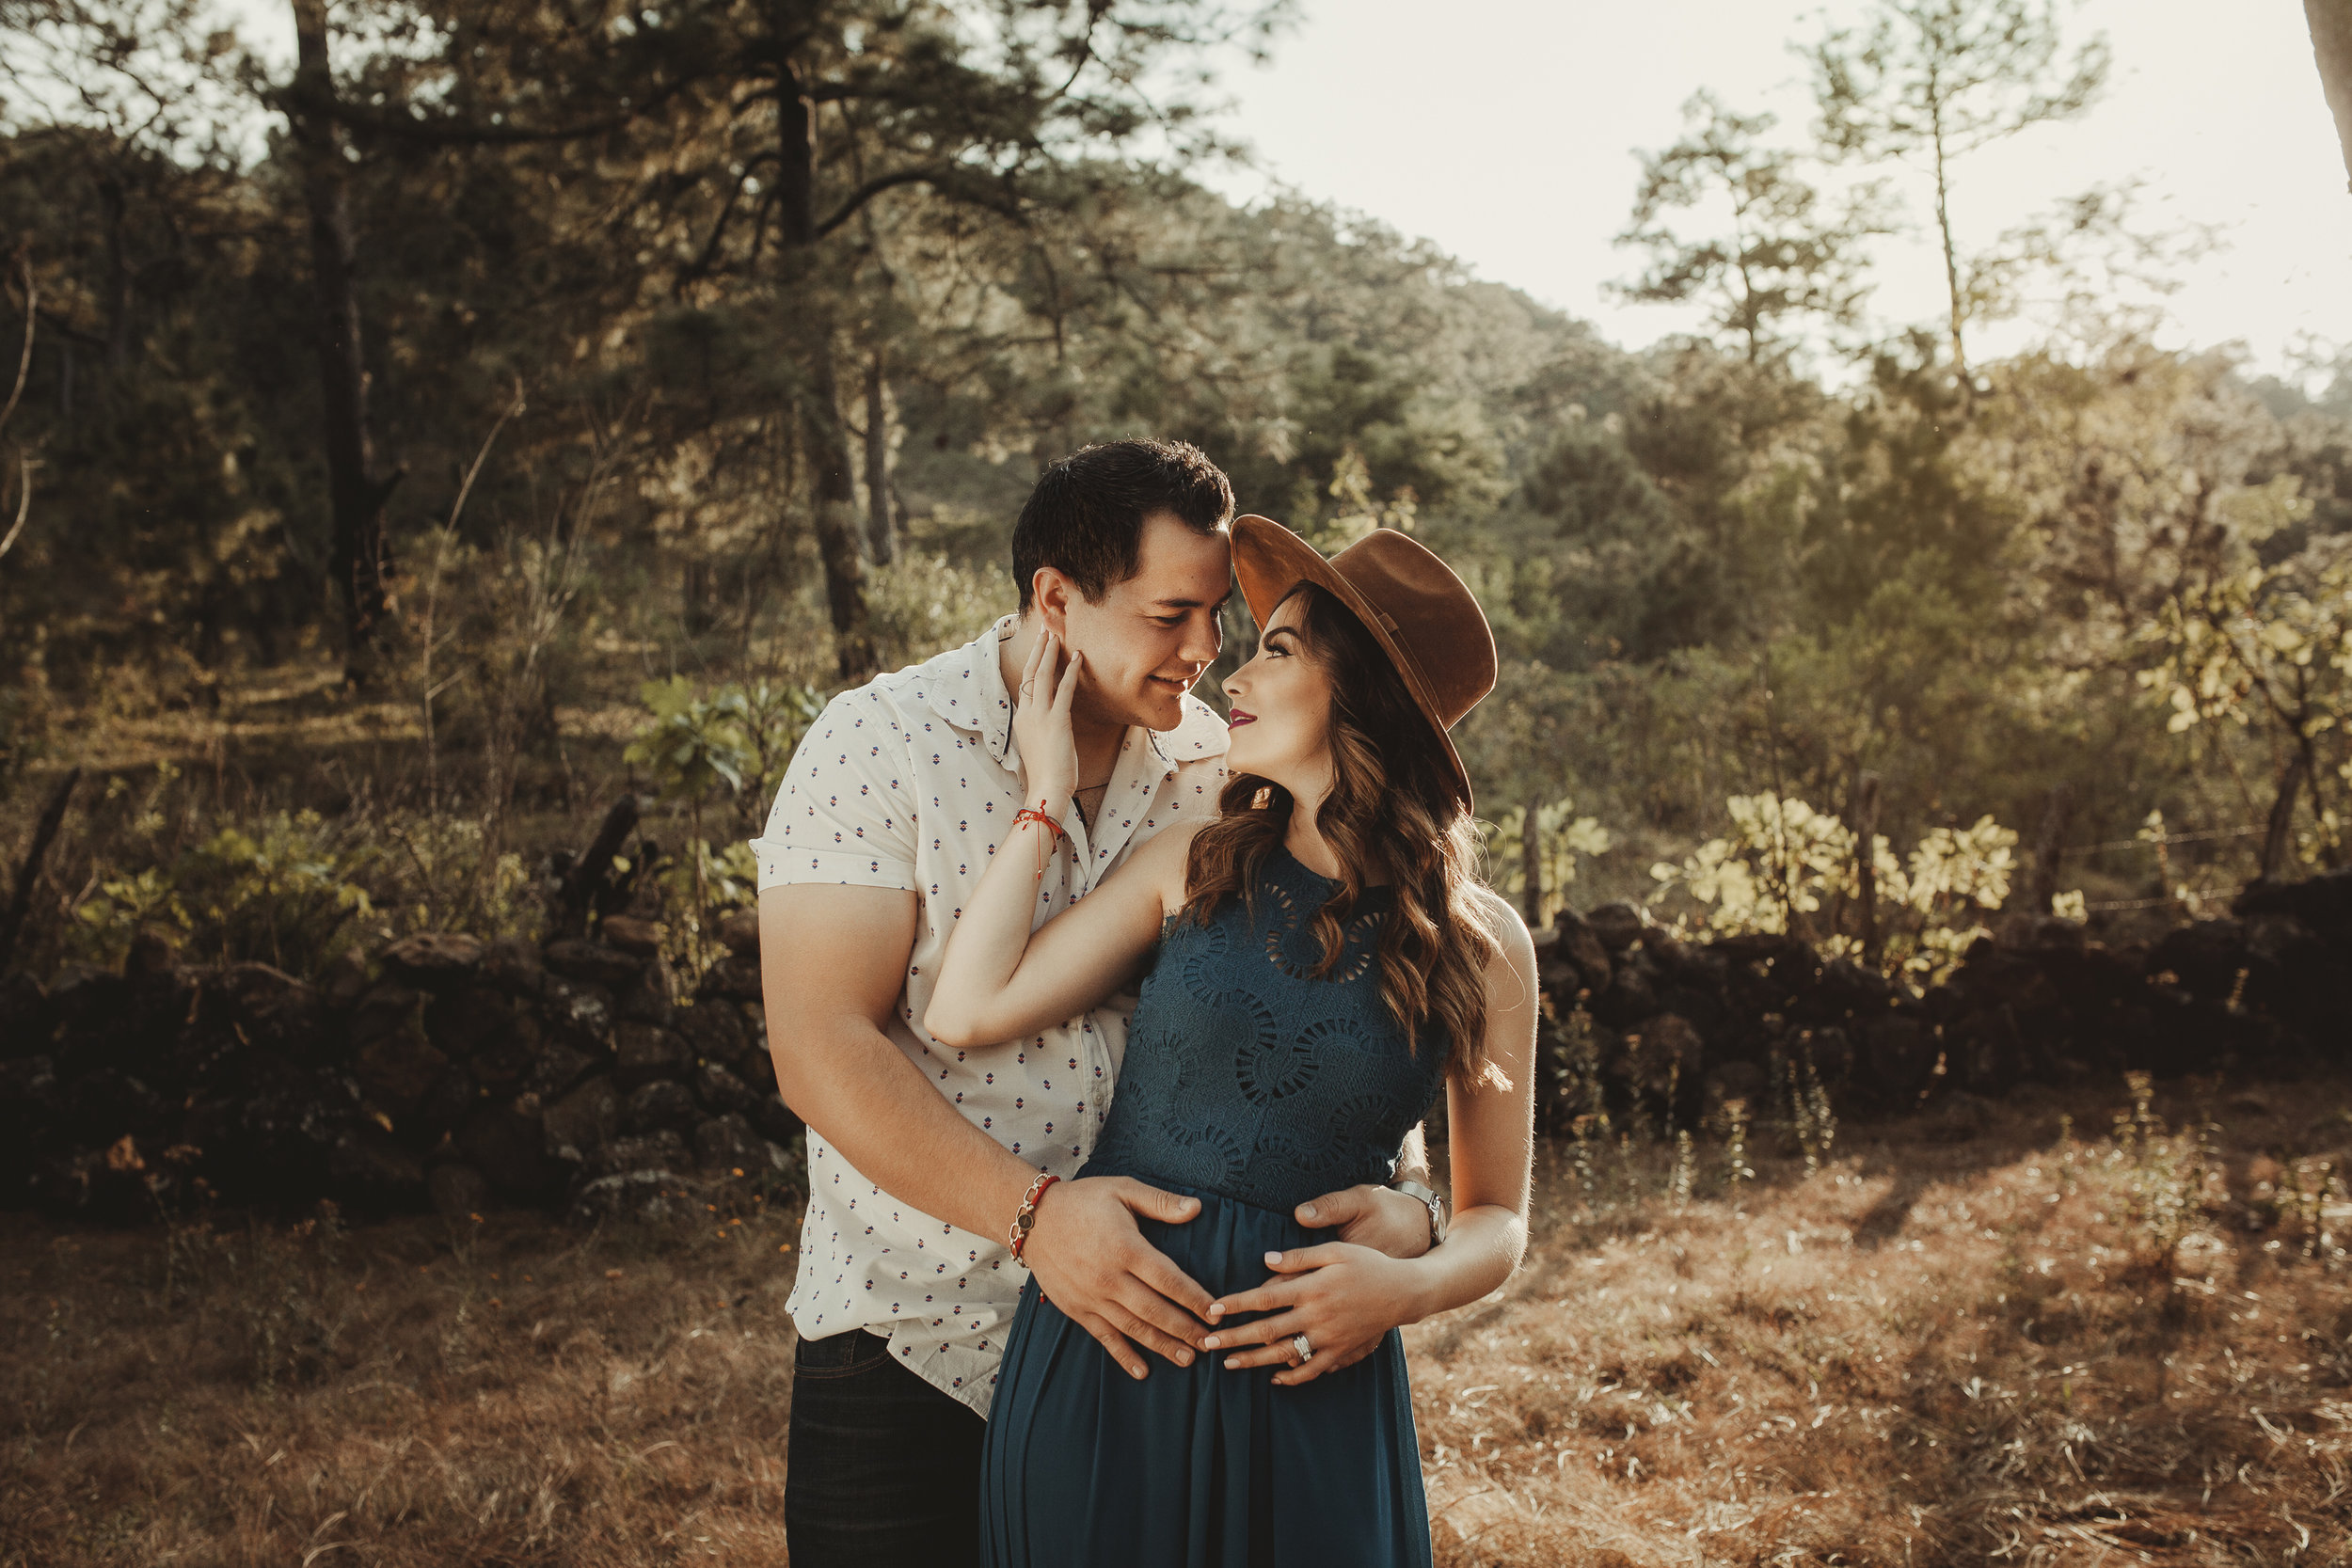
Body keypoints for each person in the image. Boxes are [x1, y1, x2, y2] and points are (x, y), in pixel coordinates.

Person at [753, 440, 1447, 1568]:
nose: (1205, 653)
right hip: (912, 1330)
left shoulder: (1232, 764)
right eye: (1173, 612)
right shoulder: (878, 742)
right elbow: (818, 1045)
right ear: (1056, 597)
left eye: (1220, 616)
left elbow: (1329, 1005)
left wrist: (1407, 1192)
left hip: (1164, 1353)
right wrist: (1036, 1216)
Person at [926, 514, 1538, 1566]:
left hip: (1313, 1381)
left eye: (1278, 648)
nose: (1231, 674)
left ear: (1364, 701)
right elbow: (965, 1009)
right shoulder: (1194, 862)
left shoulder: (1483, 947)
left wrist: (1408, 1283)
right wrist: (1040, 797)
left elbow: (1497, 1217)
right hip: (1110, 1356)